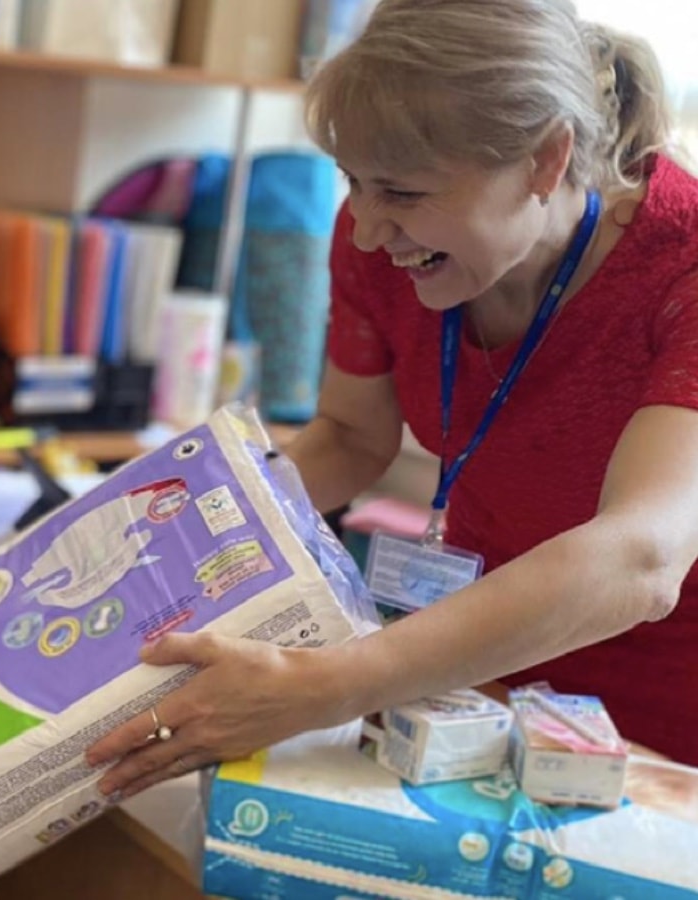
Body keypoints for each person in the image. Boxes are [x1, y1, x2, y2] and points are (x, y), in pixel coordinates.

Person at [89, 0, 698, 792]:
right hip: (470, 671)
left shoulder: (678, 269)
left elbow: (643, 559)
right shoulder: (383, 238)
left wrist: (329, 684)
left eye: (403, 193)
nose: (369, 231)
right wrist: (161, 551)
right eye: (353, 181)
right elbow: (349, 435)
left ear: (548, 160)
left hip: (662, 726)